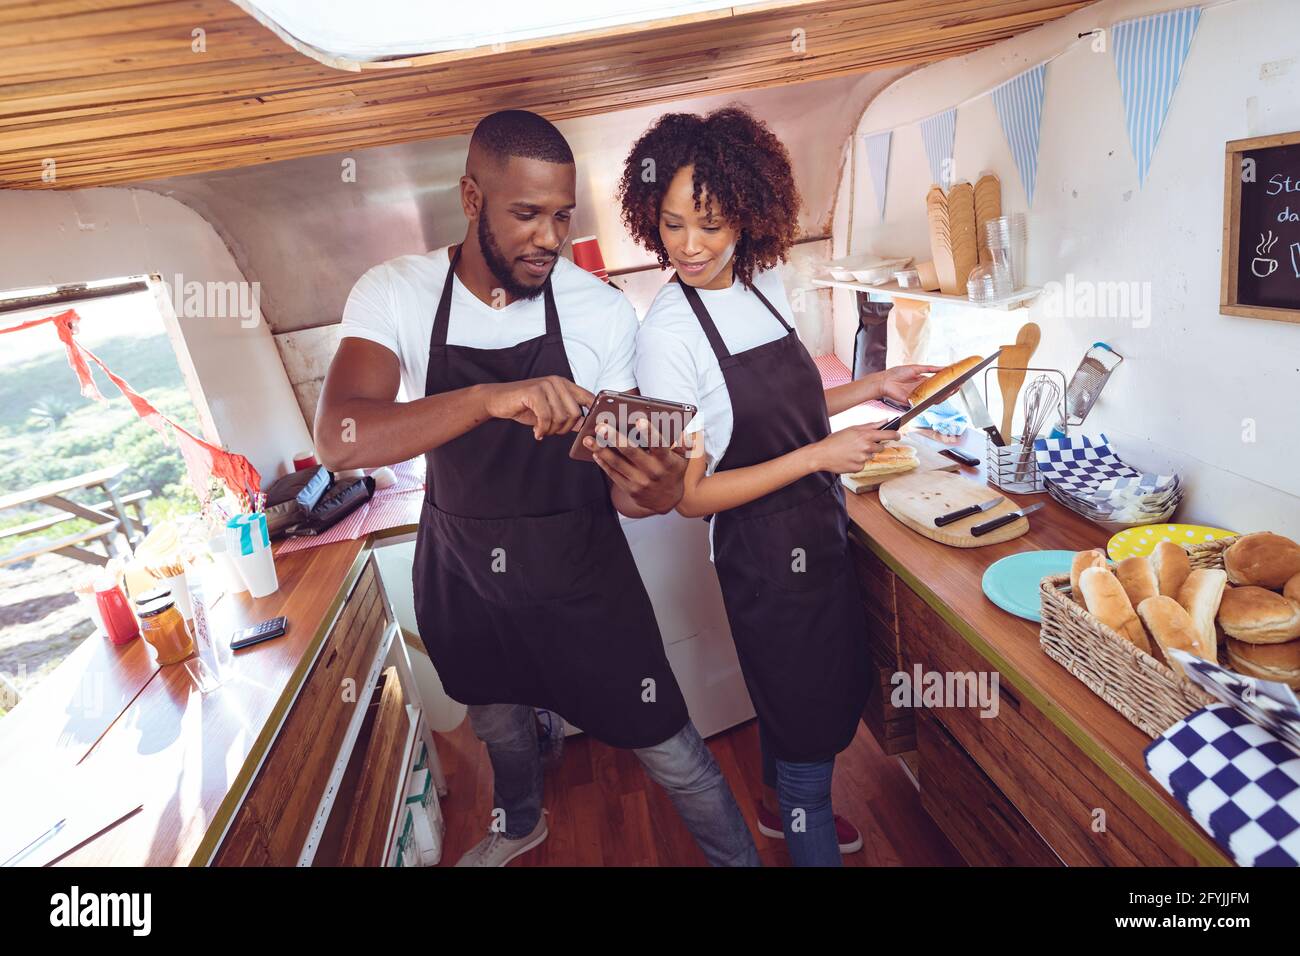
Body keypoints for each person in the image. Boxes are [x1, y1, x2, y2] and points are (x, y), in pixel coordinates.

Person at [316, 109, 758, 867]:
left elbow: (632, 494)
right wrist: (489, 400)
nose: (549, 239)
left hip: (582, 575)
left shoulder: (599, 310)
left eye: (561, 217)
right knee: (496, 720)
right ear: (471, 197)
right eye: (526, 214)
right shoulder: (398, 292)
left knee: (668, 742)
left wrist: (651, 486)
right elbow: (342, 437)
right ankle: (521, 822)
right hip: (464, 570)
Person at [619, 107, 937, 866]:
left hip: (817, 528)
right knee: (805, 728)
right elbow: (690, 496)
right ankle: (802, 823)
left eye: (712, 225)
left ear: (748, 217)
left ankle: (776, 809)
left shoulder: (764, 284)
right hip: (763, 555)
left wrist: (874, 385)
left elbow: (788, 408)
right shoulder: (665, 335)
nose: (690, 248)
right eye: (671, 226)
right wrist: (819, 458)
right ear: (647, 219)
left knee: (804, 704)